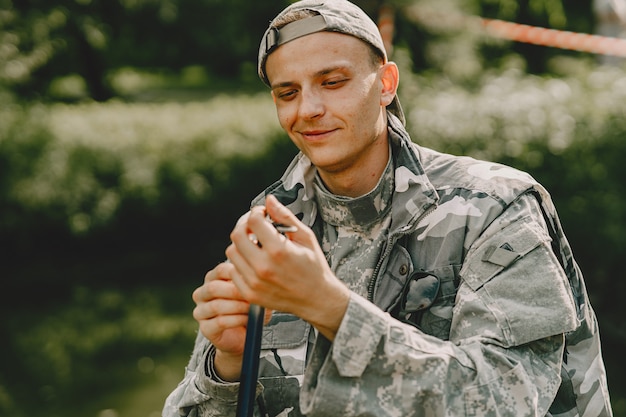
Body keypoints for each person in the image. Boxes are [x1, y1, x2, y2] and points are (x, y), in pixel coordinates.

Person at [163, 0, 613, 416]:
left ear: (385, 84)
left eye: (332, 82)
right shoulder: (271, 221)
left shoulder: (493, 206)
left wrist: (332, 310)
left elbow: (510, 399)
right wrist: (227, 367)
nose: (309, 109)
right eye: (287, 93)